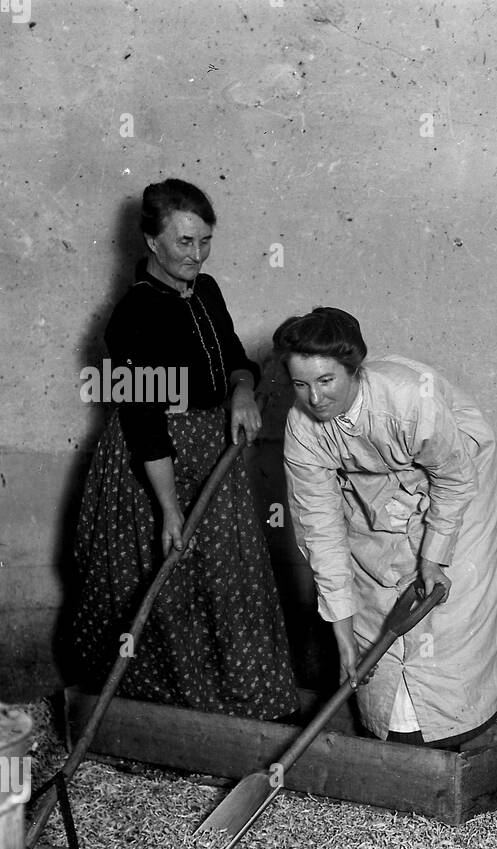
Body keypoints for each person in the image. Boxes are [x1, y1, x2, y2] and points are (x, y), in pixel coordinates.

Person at [68, 179, 299, 720]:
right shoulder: (132, 316)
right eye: (184, 243)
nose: (196, 255)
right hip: (154, 465)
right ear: (151, 241)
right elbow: (142, 419)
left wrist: (242, 390)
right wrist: (169, 508)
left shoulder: (208, 290)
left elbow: (238, 358)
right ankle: (147, 717)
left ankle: (237, 706)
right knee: (163, 582)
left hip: (214, 453)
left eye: (205, 241)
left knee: (224, 580)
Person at [277, 307, 497, 747]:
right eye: (300, 384)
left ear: (354, 370)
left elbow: (453, 477)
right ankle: (395, 721)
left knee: (449, 602)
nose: (314, 398)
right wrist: (344, 636)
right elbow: (320, 530)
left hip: (457, 483)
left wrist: (433, 558)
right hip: (375, 495)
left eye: (326, 380)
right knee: (378, 587)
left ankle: (461, 720)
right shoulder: (302, 428)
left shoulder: (409, 400)